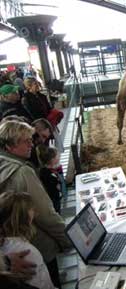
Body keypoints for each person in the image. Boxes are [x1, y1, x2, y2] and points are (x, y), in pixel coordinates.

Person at [0, 120, 72, 288]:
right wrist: (67, 239)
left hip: (11, 249)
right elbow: (45, 214)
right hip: (36, 245)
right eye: (26, 141)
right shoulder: (22, 171)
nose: (31, 144)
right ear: (10, 145)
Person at [0, 191, 57, 289]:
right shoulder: (27, 252)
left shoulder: (5, 247)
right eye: (32, 210)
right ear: (24, 217)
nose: (36, 213)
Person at [37, 146, 63, 214]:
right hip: (52, 200)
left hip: (55, 198)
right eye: (57, 156)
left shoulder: (49, 170)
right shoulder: (47, 174)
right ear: (52, 159)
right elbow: (52, 188)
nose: (59, 156)